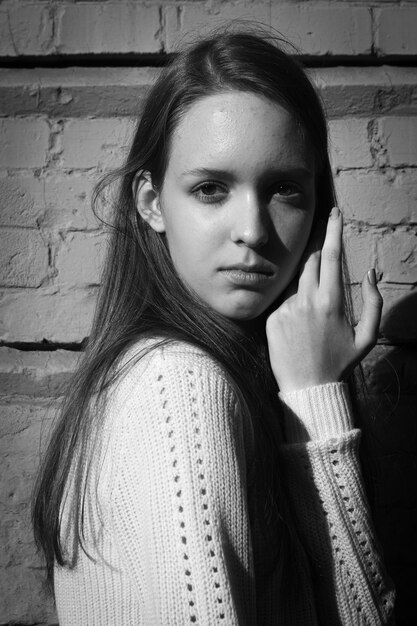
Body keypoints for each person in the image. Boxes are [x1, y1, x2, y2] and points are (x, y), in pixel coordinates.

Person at [32, 28, 396, 625]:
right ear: (151, 203)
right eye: (210, 189)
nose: (252, 229)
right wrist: (316, 403)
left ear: (317, 209)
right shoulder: (181, 387)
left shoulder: (168, 372)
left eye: (284, 189)